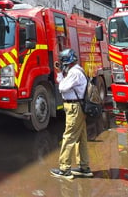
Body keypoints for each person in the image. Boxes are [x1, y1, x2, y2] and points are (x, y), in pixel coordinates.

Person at [50, 49, 93, 179]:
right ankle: (84, 167)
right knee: (81, 138)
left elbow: (62, 87)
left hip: (75, 108)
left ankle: (64, 169)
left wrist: (60, 74)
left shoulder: (74, 73)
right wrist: (61, 73)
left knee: (68, 137)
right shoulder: (77, 70)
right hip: (77, 107)